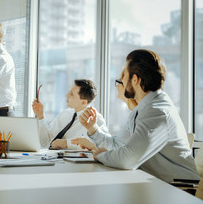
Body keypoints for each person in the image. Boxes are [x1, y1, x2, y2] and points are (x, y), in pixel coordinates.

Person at [78, 49, 199, 182]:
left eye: (124, 76)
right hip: (156, 184)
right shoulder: (143, 109)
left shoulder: (157, 111)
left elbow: (128, 160)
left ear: (135, 79)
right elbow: (117, 145)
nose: (122, 81)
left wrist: (100, 155)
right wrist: (93, 128)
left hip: (179, 190)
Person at [32, 79, 108, 150]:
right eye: (69, 91)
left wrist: (67, 143)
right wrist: (40, 116)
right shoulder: (65, 114)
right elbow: (45, 142)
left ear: (84, 102)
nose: (66, 95)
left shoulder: (95, 119)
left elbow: (104, 145)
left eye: (71, 94)